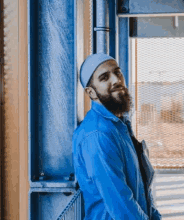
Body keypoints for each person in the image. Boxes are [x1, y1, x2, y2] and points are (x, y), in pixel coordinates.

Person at [72, 53, 162, 220]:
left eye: (117, 72)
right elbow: (122, 207)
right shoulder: (97, 135)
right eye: (104, 77)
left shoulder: (119, 125)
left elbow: (142, 187)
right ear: (91, 92)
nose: (116, 80)